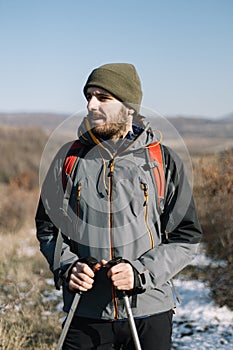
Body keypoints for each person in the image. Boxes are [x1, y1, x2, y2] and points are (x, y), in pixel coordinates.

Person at [36, 63, 202, 350]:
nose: (91, 105)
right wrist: (67, 267)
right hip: (85, 312)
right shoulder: (68, 159)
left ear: (128, 106)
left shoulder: (163, 160)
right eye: (89, 96)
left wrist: (140, 273)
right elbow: (48, 228)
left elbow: (185, 237)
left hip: (149, 312)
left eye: (103, 97)